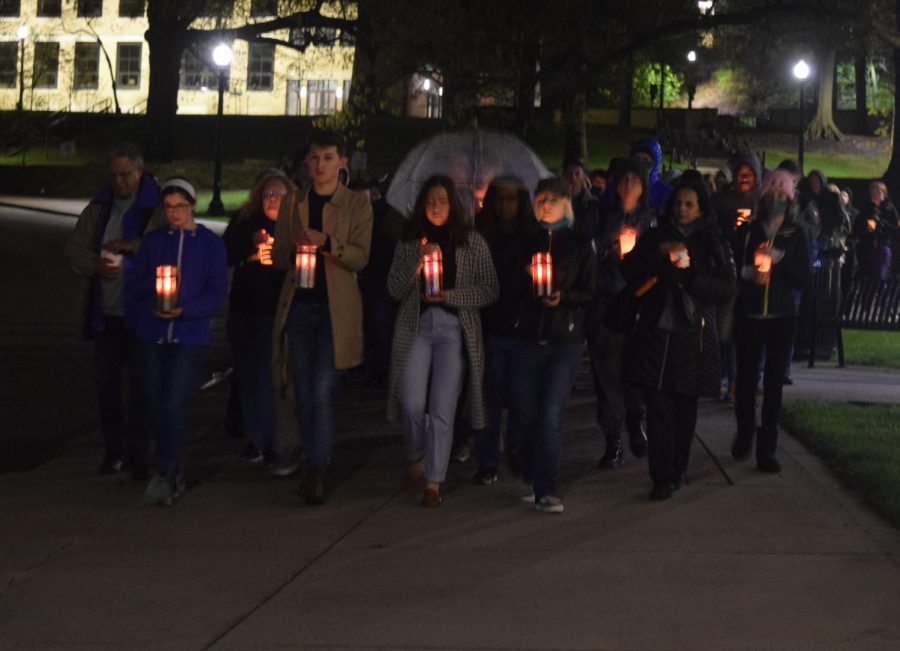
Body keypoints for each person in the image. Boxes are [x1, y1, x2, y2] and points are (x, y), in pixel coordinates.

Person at [272, 129, 373, 505]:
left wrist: (327, 244)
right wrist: (290, 253)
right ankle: (310, 454)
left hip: (334, 306)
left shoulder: (356, 205)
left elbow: (361, 256)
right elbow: (281, 254)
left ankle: (317, 467)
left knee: (321, 389)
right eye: (314, 158)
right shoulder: (294, 202)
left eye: (328, 158)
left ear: (342, 162)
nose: (320, 165)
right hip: (299, 302)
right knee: (301, 387)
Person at [617, 179, 735, 500]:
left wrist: (691, 277)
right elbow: (630, 271)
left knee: (684, 410)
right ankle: (661, 476)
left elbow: (726, 287)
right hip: (657, 332)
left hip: (692, 337)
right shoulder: (656, 235)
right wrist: (659, 256)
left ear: (701, 207)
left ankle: (678, 467)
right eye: (678, 203)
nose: (682, 210)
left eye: (689, 204)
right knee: (658, 409)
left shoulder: (712, 240)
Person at [387, 175, 498, 507]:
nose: (436, 207)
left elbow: (490, 289)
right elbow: (393, 288)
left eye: (443, 201)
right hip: (417, 328)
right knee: (410, 402)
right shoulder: (410, 242)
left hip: (453, 329)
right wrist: (415, 262)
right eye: (430, 201)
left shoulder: (471, 242)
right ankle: (417, 453)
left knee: (443, 407)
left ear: (454, 204)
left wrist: (452, 295)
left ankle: (434, 480)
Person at [63, 143, 164, 478]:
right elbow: (75, 247)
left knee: (142, 387)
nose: (119, 181)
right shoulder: (100, 207)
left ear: (141, 171)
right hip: (106, 313)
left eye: (126, 174)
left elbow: (167, 245)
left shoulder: (156, 207)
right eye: (114, 175)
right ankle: (114, 450)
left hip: (141, 313)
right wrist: (94, 265)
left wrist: (133, 246)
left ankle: (138, 453)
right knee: (107, 386)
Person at [130, 178, 228, 505]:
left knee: (174, 402)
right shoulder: (155, 242)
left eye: (180, 207)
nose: (174, 213)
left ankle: (169, 471)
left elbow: (216, 291)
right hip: (154, 334)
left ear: (192, 206)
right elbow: (138, 283)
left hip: (189, 336)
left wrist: (187, 310)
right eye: (169, 207)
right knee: (156, 402)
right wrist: (155, 297)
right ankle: (165, 465)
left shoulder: (209, 244)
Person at [513, 177, 596, 513]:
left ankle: (547, 488)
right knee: (525, 413)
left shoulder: (578, 244)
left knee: (549, 413)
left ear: (566, 203)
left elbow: (591, 290)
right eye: (540, 198)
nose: (544, 205)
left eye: (551, 199)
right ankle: (533, 476)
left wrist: (564, 298)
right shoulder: (525, 241)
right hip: (530, 337)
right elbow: (511, 288)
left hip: (565, 338)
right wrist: (524, 279)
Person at [731, 170, 810, 473]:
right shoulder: (748, 231)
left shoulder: (796, 234)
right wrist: (747, 273)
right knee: (747, 379)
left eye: (783, 194)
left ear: (790, 200)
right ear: (763, 196)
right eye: (772, 192)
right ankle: (745, 431)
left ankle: (768, 447)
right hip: (749, 315)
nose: (777, 197)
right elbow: (732, 263)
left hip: (782, 317)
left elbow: (803, 277)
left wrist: (780, 260)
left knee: (774, 383)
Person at [223, 169, 298, 472]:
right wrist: (250, 245)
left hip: (274, 311)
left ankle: (273, 439)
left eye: (280, 194)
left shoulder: (294, 227)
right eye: (268, 193)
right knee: (247, 376)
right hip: (244, 308)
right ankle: (254, 436)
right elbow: (225, 254)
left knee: (270, 377)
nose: (273, 199)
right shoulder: (245, 223)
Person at [472, 175, 538, 484]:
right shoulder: (481, 234)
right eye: (500, 198)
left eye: (512, 198)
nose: (505, 205)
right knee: (491, 395)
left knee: (520, 397)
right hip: (492, 323)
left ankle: (515, 449)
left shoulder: (532, 236)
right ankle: (487, 460)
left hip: (521, 325)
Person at [591, 159, 653, 468]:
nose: (628, 185)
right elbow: (591, 254)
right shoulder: (604, 215)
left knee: (635, 369)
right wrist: (608, 246)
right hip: (608, 301)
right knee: (608, 371)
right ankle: (613, 437)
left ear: (644, 186)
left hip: (638, 304)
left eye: (635, 180)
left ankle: (635, 420)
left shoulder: (651, 221)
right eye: (623, 180)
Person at [854, 180, 899, 284]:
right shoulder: (867, 208)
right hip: (868, 246)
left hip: (884, 245)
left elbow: (895, 229)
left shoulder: (889, 208)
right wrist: (870, 224)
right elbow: (862, 227)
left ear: (884, 193)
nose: (875, 195)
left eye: (878, 192)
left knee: (881, 274)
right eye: (873, 192)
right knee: (869, 275)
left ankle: (881, 297)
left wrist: (881, 223)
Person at [711, 152, 762, 237]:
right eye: (741, 173)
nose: (745, 177)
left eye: (749, 173)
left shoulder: (763, 201)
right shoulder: (720, 201)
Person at [630, 138, 673, 217]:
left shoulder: (665, 191)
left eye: (645, 159)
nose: (640, 163)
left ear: (655, 163)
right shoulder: (624, 185)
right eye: (637, 159)